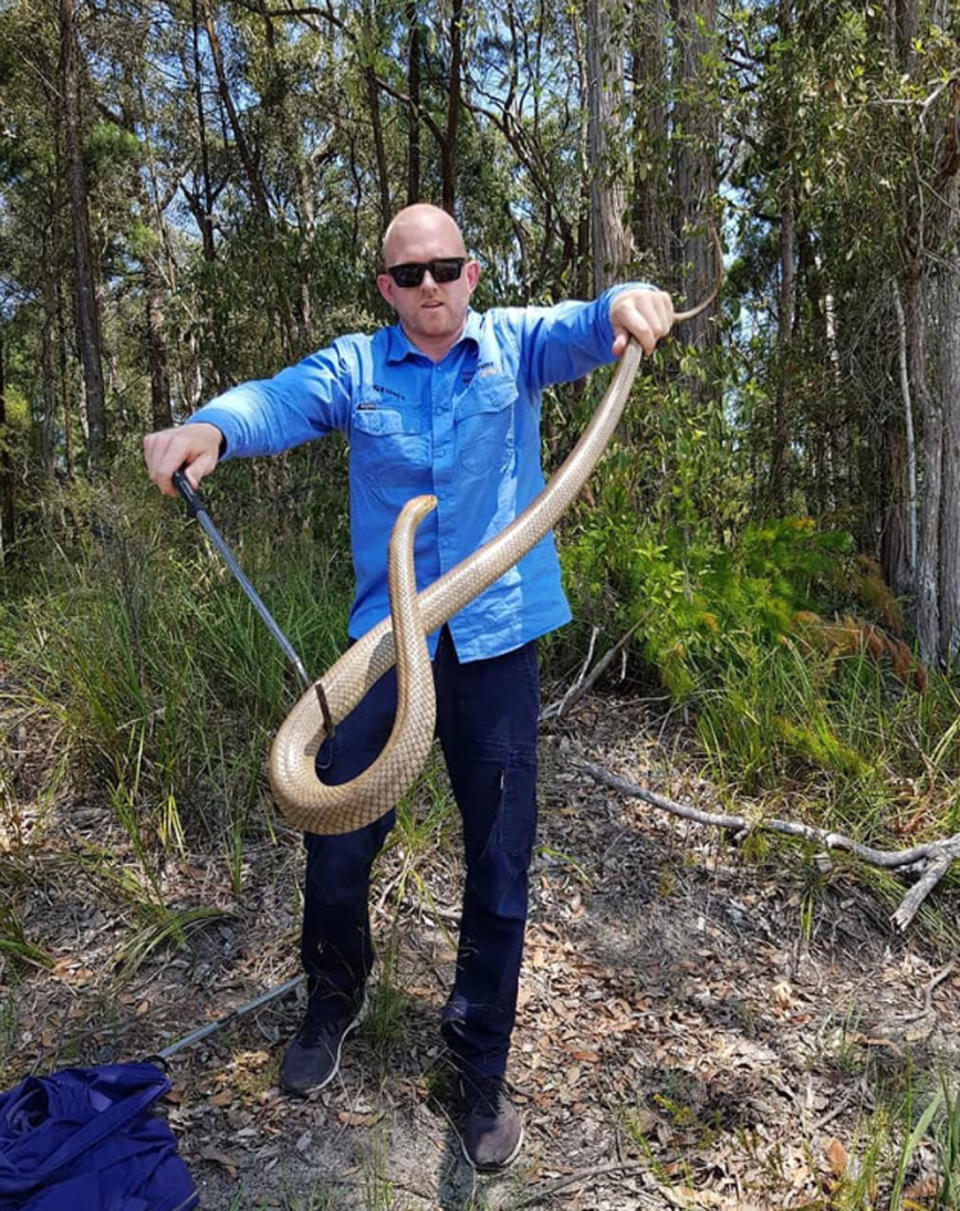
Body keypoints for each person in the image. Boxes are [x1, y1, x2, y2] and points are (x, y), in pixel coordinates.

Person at [144, 203, 674, 1171]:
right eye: (410, 273)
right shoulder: (355, 365)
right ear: (387, 287)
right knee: (335, 839)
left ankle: (479, 1065)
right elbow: (275, 401)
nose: (431, 285)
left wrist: (631, 299)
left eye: (448, 267)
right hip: (384, 651)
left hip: (498, 643)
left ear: (473, 273)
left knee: (499, 861)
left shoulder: (516, 345)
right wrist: (208, 427)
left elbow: (593, 321)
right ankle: (333, 999)